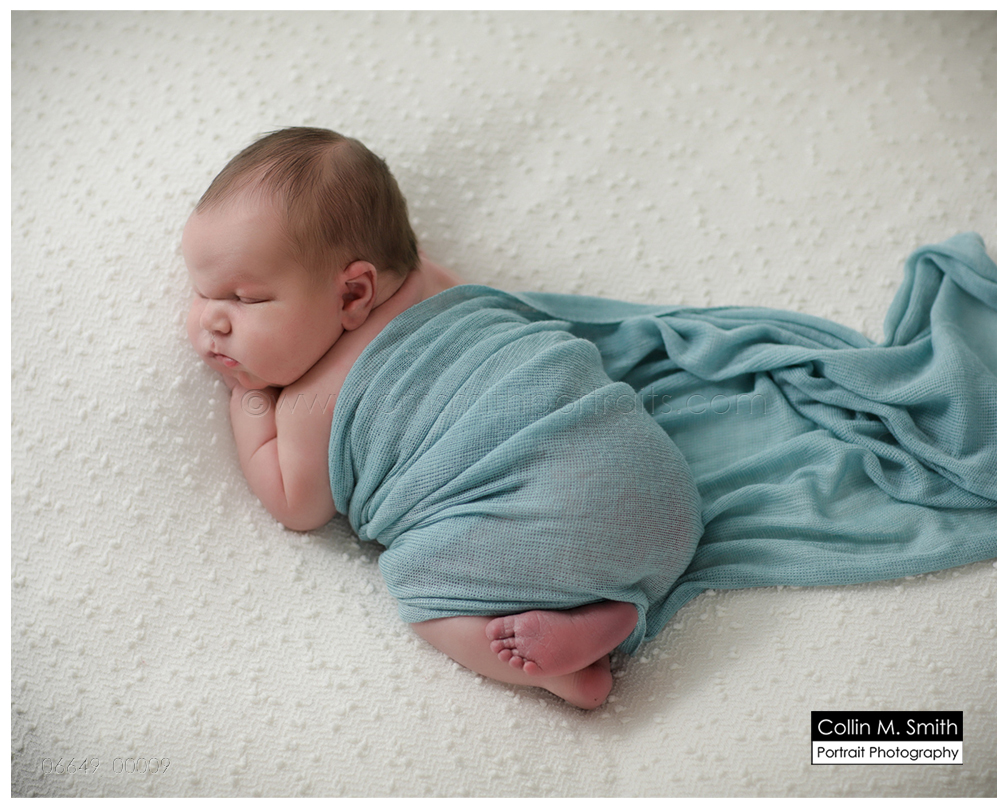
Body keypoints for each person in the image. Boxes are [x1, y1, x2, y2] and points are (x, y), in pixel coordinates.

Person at [183, 127, 639, 708]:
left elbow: (294, 506)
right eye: (202, 292)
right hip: (631, 465)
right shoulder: (435, 283)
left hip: (543, 523)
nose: (212, 320)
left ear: (354, 295)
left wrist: (246, 400)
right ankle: (606, 606)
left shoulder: (307, 406)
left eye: (245, 299)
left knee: (414, 581)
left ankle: (563, 673)